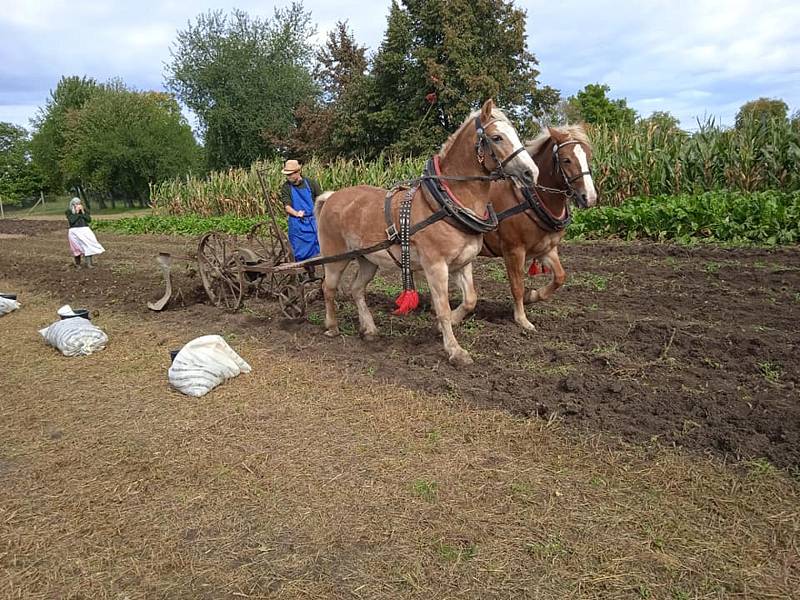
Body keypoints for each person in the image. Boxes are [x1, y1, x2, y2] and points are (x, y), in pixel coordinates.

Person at [280, 159, 321, 281]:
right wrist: (296, 213)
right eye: (287, 175)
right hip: (297, 223)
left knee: (316, 249)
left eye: (290, 174)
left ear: (298, 171)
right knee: (299, 250)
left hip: (313, 221)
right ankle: (299, 275)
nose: (288, 177)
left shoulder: (311, 183)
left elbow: (320, 200)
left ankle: (311, 272)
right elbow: (287, 206)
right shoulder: (286, 187)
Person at [65, 197, 105, 268]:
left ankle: (89, 264)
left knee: (88, 245)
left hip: (85, 229)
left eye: (79, 203)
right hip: (74, 230)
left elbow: (88, 219)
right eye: (76, 204)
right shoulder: (69, 211)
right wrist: (77, 212)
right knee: (76, 247)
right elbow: (72, 221)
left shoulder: (84, 211)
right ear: (73, 205)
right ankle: (78, 264)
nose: (78, 205)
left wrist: (82, 212)